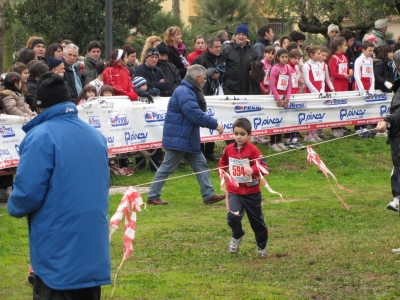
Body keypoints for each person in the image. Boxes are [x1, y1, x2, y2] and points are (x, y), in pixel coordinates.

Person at [7, 72, 111, 299]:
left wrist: (13, 205)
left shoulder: (40, 137)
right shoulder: (95, 136)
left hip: (57, 252)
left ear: (39, 106)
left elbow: (27, 194)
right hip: (92, 248)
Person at [146, 65, 225, 205]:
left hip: (186, 138)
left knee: (201, 165)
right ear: (197, 78)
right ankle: (153, 196)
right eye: (204, 79)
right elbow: (194, 114)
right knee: (167, 168)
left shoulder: (187, 90)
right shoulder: (185, 92)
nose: (205, 81)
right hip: (180, 138)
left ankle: (208, 195)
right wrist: (215, 124)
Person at [218, 118, 268, 256]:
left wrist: (253, 170)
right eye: (236, 133)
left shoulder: (253, 150)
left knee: (257, 222)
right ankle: (237, 234)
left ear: (249, 135)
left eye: (242, 134)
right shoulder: (228, 149)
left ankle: (261, 245)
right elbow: (222, 163)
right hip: (235, 191)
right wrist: (222, 172)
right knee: (233, 216)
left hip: (252, 193)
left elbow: (264, 167)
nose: (238, 137)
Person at [193, 37, 226, 161]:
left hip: (216, 94)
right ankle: (199, 151)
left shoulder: (221, 58)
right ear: (209, 47)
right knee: (201, 121)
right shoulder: (199, 59)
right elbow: (193, 76)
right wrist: (208, 74)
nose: (219, 49)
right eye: (216, 47)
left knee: (214, 119)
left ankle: (210, 151)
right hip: (201, 94)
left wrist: (220, 75)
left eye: (220, 46)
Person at [222, 24, 259, 95]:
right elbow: (221, 67)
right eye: (239, 34)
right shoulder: (227, 50)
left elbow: (258, 71)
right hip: (229, 90)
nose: (241, 36)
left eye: (243, 34)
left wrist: (255, 73)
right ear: (235, 36)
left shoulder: (253, 52)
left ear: (247, 37)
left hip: (248, 91)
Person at [269, 48, 292, 152]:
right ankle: (272, 142)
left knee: (282, 119)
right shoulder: (275, 68)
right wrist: (277, 98)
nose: (284, 59)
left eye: (286, 57)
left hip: (284, 97)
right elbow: (272, 84)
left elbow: (290, 84)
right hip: (275, 96)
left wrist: (287, 98)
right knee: (275, 120)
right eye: (282, 57)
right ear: (278, 57)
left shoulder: (288, 68)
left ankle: (279, 141)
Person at [354, 41, 375, 138]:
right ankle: (358, 129)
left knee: (366, 106)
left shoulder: (370, 60)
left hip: (368, 84)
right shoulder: (359, 60)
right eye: (369, 50)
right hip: (360, 85)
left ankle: (365, 128)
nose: (371, 52)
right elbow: (357, 76)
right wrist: (362, 90)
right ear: (363, 50)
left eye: (372, 50)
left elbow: (372, 75)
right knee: (359, 107)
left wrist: (371, 89)